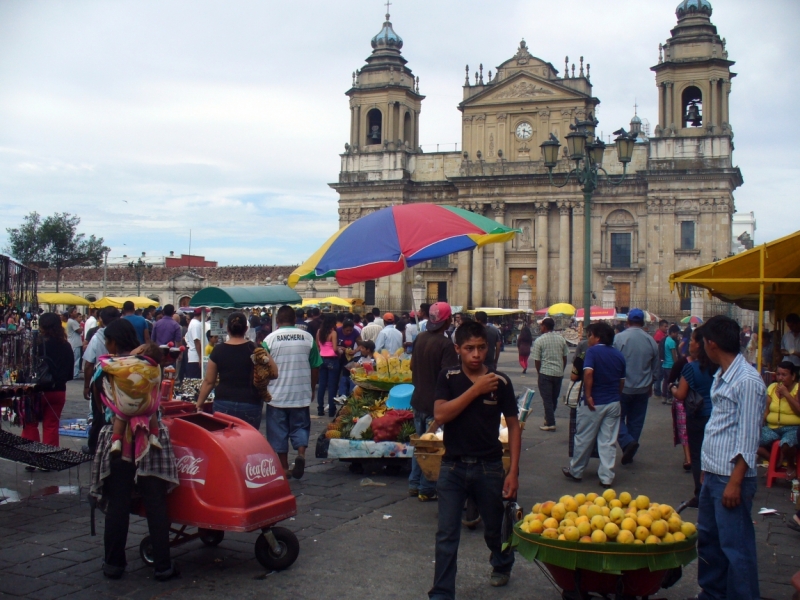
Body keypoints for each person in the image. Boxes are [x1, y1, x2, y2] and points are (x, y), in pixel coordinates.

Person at [429, 320, 521, 598]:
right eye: (469, 348)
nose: (476, 354)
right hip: (452, 466)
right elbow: (441, 415)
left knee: (494, 528)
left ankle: (502, 562)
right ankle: (442, 592)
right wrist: (475, 390)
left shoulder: (501, 381)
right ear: (458, 348)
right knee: (446, 535)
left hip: (490, 467)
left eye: (481, 348)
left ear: (490, 347)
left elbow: (514, 426)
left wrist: (513, 471)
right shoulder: (448, 377)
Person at [89, 332, 179, 582]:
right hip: (151, 437)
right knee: (155, 503)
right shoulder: (153, 368)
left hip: (118, 438)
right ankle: (163, 565)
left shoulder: (108, 370)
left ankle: (114, 564)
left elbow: (98, 405)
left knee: (118, 503)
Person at [691, 315, 765, 600]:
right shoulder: (722, 375)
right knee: (710, 542)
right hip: (714, 473)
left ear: (711, 344)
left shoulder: (747, 381)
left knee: (736, 547)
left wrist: (735, 481)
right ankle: (712, 593)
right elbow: (721, 428)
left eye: (701, 341)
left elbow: (748, 438)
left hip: (730, 477)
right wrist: (706, 470)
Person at [562, 321, 626, 488]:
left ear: (597, 337)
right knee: (608, 441)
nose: (588, 338)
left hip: (595, 401)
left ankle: (576, 470)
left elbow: (588, 373)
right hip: (613, 401)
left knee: (583, 437)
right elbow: (622, 381)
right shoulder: (618, 355)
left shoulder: (592, 352)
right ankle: (606, 477)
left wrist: (589, 395)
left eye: (590, 335)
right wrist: (616, 396)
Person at [264, 305, 322, 480]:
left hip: (277, 395)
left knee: (278, 432)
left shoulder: (270, 340)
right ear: (295, 320)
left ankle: (284, 466)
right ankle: (301, 455)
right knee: (300, 427)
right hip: (300, 392)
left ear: (278, 321)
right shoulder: (307, 338)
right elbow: (315, 366)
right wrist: (311, 388)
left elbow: (262, 368)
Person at [409, 302, 457, 502]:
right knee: (432, 447)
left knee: (420, 444)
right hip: (435, 404)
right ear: (446, 321)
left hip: (418, 399)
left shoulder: (420, 338)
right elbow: (449, 375)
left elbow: (412, 366)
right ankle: (427, 488)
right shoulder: (445, 345)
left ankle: (414, 483)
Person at [196, 312, 272, 429]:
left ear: (227, 329)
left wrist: (199, 403)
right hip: (250, 402)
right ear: (246, 329)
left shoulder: (218, 350)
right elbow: (275, 372)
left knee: (226, 443)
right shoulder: (256, 348)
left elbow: (209, 381)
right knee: (247, 442)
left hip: (224, 402)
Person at [671, 326, 718, 508]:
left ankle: (700, 493)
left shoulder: (691, 368)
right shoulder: (718, 367)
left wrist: (672, 388)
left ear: (700, 345)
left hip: (698, 416)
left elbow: (681, 394)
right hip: (715, 415)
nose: (689, 343)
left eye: (692, 340)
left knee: (698, 456)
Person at [21, 312, 74, 456]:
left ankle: (31, 456)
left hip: (35, 391)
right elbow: (70, 373)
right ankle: (48, 457)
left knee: (30, 423)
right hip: (58, 391)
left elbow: (25, 368)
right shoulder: (66, 346)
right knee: (51, 424)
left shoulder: (36, 345)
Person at [613, 308, 659, 465]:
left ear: (627, 322)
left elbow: (614, 362)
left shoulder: (619, 338)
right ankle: (630, 448)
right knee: (636, 421)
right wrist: (651, 383)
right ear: (643, 322)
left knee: (615, 418)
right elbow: (655, 368)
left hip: (622, 387)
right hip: (643, 388)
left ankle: (626, 442)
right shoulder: (650, 340)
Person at [84, 307, 122, 454]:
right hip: (124, 382)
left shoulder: (98, 335)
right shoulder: (125, 331)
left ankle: (96, 446)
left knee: (100, 415)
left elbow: (88, 363)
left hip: (104, 385)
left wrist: (87, 386)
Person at [757, 361, 800, 478]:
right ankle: (775, 461)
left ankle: (791, 465)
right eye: (778, 374)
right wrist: (760, 424)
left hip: (792, 428)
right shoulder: (772, 387)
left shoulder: (797, 388)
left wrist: (786, 394)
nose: (780, 378)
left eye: (784, 375)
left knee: (787, 443)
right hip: (772, 428)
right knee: (753, 440)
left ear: (793, 376)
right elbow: (766, 410)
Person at [531, 317, 569, 432]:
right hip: (558, 373)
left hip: (545, 372)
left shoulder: (539, 341)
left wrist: (539, 372)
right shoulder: (561, 339)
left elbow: (537, 360)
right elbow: (565, 357)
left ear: (544, 327)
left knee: (547, 399)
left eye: (541, 326)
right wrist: (561, 369)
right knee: (554, 398)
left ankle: (550, 422)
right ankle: (548, 418)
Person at [315, 313, 340, 417]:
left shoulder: (319, 332)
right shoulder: (333, 333)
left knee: (322, 385)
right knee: (332, 386)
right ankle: (331, 410)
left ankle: (320, 409)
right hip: (332, 359)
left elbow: (318, 346)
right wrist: (340, 352)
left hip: (322, 359)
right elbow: (334, 348)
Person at [336, 319, 361, 396]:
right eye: (347, 330)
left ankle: (347, 393)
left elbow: (360, 344)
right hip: (338, 357)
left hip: (349, 358)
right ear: (343, 328)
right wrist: (341, 348)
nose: (349, 332)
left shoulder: (355, 333)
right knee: (337, 375)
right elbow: (332, 344)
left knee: (347, 375)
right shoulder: (337, 331)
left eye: (351, 330)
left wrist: (355, 350)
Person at [661, 325, 681, 399]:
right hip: (671, 365)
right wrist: (677, 364)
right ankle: (669, 397)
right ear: (672, 332)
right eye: (676, 333)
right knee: (671, 382)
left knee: (665, 381)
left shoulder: (666, 340)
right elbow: (674, 355)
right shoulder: (672, 342)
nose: (677, 335)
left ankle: (664, 396)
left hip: (665, 364)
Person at [184, 308, 204, 379]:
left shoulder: (194, 323)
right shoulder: (196, 324)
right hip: (195, 357)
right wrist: (200, 358)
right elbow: (197, 341)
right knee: (196, 380)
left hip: (195, 356)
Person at [652, 319, 669, 398]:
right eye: (665, 326)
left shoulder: (664, 334)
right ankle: (657, 390)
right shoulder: (659, 334)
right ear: (660, 326)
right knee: (659, 374)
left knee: (661, 374)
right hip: (659, 357)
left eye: (667, 326)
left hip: (661, 357)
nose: (666, 328)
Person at [65, 308, 83, 379]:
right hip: (75, 343)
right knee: (76, 359)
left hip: (73, 342)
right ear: (71, 313)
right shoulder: (72, 322)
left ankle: (74, 373)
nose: (76, 313)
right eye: (75, 312)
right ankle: (75, 374)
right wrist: (81, 327)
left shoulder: (72, 321)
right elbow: (79, 330)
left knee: (75, 358)